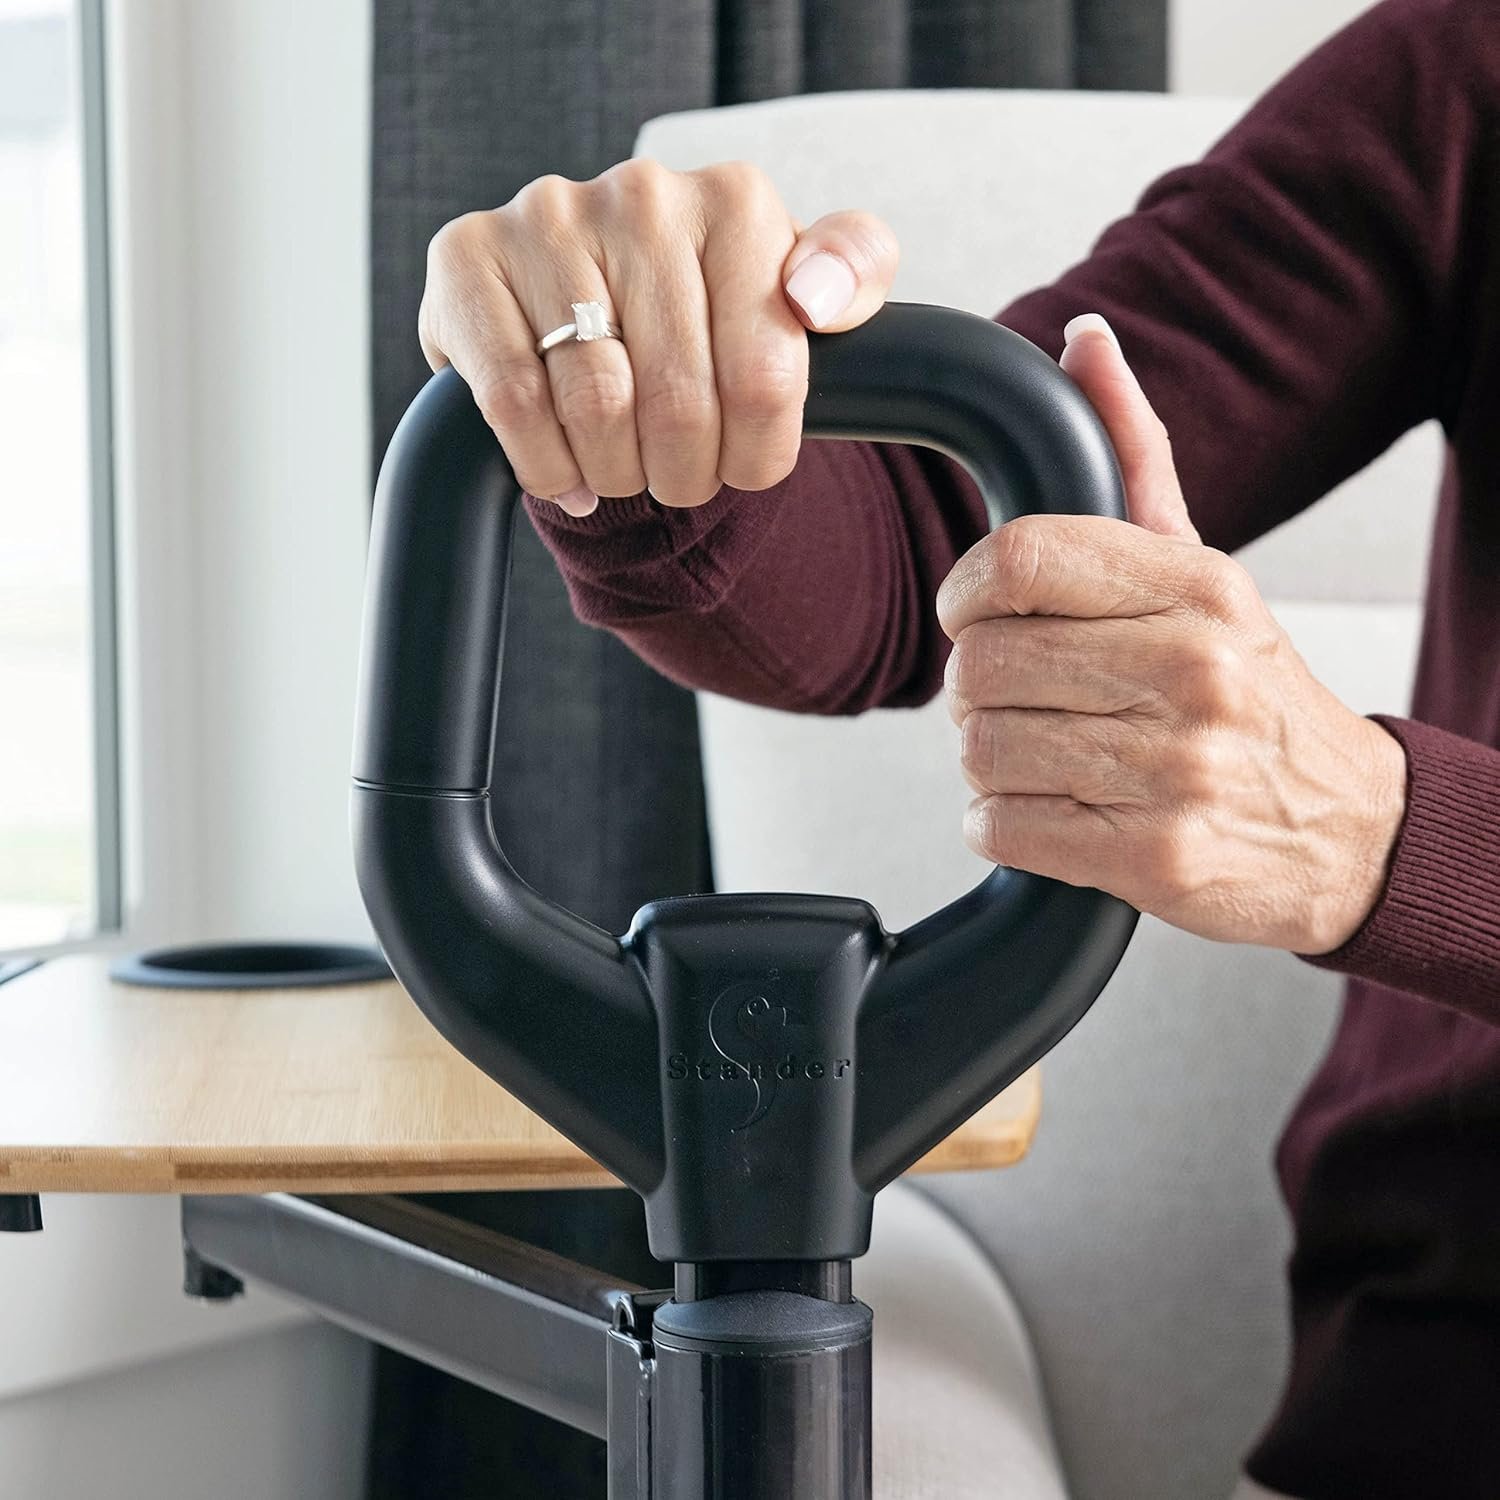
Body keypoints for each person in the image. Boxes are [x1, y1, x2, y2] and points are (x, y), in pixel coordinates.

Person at [417, 0, 1500, 1494]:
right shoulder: (1471, 78)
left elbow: (1388, 836)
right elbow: (928, 530)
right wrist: (649, 413)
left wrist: (1395, 840)